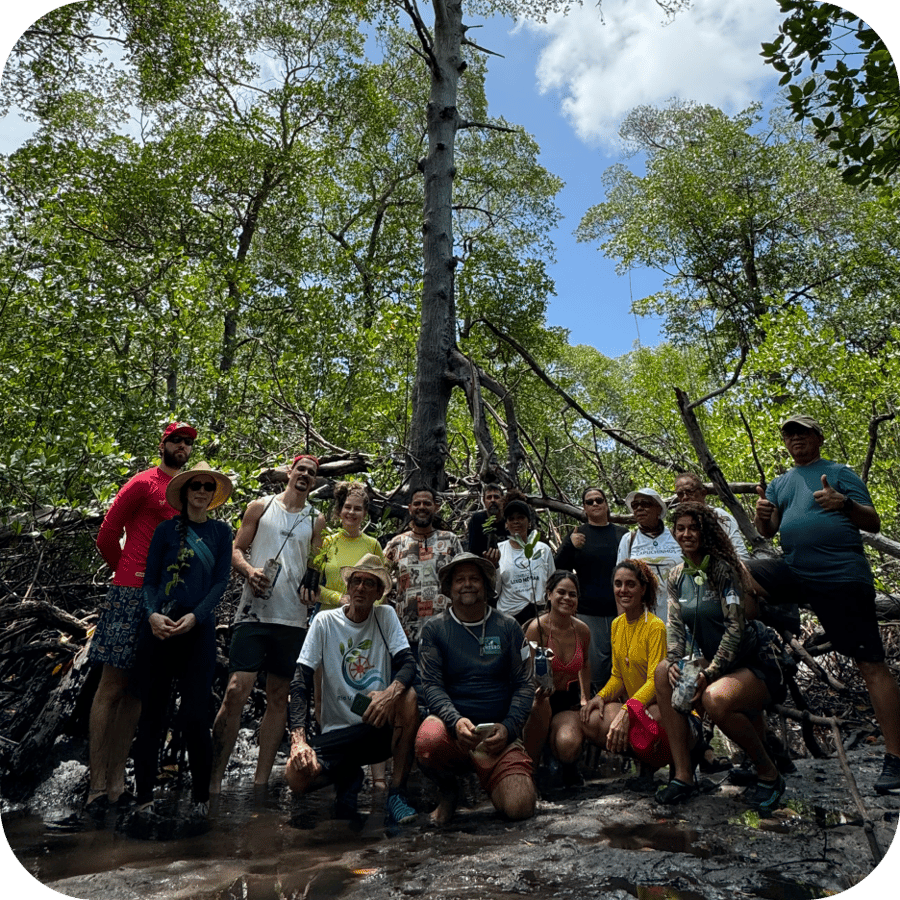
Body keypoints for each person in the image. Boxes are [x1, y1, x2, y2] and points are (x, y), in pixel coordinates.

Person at [750, 413, 900, 795]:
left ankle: (896, 757)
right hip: (796, 572)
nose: (795, 439)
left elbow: (873, 522)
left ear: (818, 437)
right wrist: (762, 517)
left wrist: (843, 503)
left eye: (802, 433)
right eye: (789, 435)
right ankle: (758, 642)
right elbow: (769, 530)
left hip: (841, 577)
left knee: (870, 664)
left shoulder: (840, 473)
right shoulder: (781, 483)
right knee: (738, 572)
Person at [86, 421, 196, 816]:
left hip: (165, 600)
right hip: (130, 593)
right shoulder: (143, 483)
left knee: (137, 690)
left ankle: (118, 783)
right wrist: (126, 574)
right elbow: (107, 533)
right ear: (163, 444)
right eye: (176, 440)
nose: (182, 446)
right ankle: (96, 786)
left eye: (187, 442)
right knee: (111, 686)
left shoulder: (186, 491)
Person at [654, 502, 786, 812]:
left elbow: (735, 628)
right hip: (717, 663)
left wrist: (709, 673)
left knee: (713, 698)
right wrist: (674, 660)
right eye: (681, 528)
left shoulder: (723, 570)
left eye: (693, 528)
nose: (687, 534)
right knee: (662, 671)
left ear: (706, 533)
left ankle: (769, 774)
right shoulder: (676, 576)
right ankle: (683, 775)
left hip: (755, 661)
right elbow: (675, 625)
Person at [209, 454, 325, 794]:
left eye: (311, 473)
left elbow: (315, 565)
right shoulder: (260, 507)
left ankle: (260, 785)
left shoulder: (316, 519)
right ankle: (213, 782)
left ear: (314, 481)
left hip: (293, 618)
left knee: (278, 696)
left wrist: (313, 589)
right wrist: (249, 571)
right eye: (301, 469)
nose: (305, 475)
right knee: (235, 691)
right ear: (289, 472)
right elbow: (236, 550)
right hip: (253, 614)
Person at [285, 555, 419, 826]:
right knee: (296, 777)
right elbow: (300, 680)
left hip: (376, 725)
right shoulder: (324, 622)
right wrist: (298, 740)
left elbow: (408, 663)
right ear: (347, 587)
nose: (361, 588)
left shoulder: (385, 616)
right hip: (338, 731)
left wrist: (388, 695)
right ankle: (348, 776)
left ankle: (397, 793)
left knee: (409, 698)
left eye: (369, 583)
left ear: (379, 593)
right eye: (356, 581)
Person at [131, 462, 233, 816]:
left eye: (208, 486)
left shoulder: (221, 533)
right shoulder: (165, 531)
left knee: (195, 715)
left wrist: (196, 617)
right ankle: (144, 798)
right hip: (160, 627)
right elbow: (149, 581)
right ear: (186, 492)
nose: (202, 491)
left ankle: (201, 800)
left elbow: (220, 582)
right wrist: (151, 614)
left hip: (197, 629)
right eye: (196, 486)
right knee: (152, 714)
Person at [415, 552, 536, 825]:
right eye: (460, 580)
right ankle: (449, 791)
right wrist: (455, 720)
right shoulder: (434, 629)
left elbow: (524, 683)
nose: (467, 584)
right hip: (453, 731)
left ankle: (501, 778)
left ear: (486, 585)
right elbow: (431, 685)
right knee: (428, 742)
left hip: (499, 735)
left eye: (474, 579)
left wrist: (509, 727)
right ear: (449, 589)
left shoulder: (509, 627)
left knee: (520, 808)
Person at [581, 559, 667, 786]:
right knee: (591, 719)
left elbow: (655, 682)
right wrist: (600, 697)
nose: (623, 590)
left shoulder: (655, 626)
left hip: (657, 707)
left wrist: (628, 710)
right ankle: (641, 762)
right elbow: (618, 676)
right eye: (618, 584)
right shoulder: (617, 625)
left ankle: (655, 763)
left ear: (643, 589)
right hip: (634, 706)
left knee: (645, 721)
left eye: (630, 584)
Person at [555, 487, 627, 690]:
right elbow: (559, 570)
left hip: (621, 610)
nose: (595, 504)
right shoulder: (578, 535)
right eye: (590, 502)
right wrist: (569, 545)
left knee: (624, 664)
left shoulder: (623, 535)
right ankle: (596, 704)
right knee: (595, 669)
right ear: (584, 508)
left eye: (599, 500)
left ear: (606, 504)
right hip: (588, 612)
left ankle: (629, 706)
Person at [523, 571, 591, 785]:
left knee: (567, 744)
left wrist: (585, 699)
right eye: (561, 592)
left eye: (572, 594)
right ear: (549, 594)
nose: (567, 598)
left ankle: (567, 762)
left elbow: (585, 665)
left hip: (567, 702)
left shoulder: (582, 630)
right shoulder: (536, 629)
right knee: (538, 707)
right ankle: (531, 773)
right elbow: (525, 671)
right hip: (539, 700)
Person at [383, 487, 463, 651]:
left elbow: (463, 580)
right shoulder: (397, 543)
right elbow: (379, 578)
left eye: (427, 503)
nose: (421, 507)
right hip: (406, 635)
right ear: (410, 508)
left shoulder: (450, 540)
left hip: (447, 632)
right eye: (417, 503)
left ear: (436, 507)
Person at [616, 487, 681, 624]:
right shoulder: (629, 540)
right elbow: (620, 583)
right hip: (642, 617)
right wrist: (624, 621)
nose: (639, 508)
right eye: (635, 505)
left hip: (678, 614)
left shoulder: (676, 536)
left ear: (659, 509)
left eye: (645, 503)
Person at [317, 481, 384, 610]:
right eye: (347, 507)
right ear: (340, 510)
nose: (352, 512)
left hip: (362, 617)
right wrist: (339, 598)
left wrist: (369, 607)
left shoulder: (373, 545)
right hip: (329, 615)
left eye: (357, 509)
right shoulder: (327, 542)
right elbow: (313, 586)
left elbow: (382, 589)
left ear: (364, 514)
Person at [495, 490, 554, 626]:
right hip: (509, 617)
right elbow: (495, 591)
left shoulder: (542, 549)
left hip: (540, 616)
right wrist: (494, 566)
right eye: (511, 519)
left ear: (529, 522)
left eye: (521, 517)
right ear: (506, 524)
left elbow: (552, 584)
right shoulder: (499, 551)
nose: (516, 522)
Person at [674, 473, 748, 560]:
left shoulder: (720, 516)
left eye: (690, 492)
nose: (685, 497)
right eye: (680, 494)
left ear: (703, 493)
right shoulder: (680, 522)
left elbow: (740, 553)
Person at [466, 483, 508, 561]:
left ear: (503, 500)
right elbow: (473, 551)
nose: (492, 500)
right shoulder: (477, 520)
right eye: (489, 497)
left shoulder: (509, 519)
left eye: (496, 497)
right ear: (484, 501)